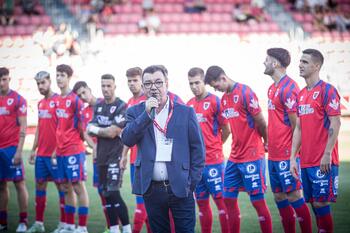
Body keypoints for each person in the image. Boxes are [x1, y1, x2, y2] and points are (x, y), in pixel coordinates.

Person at [121, 65, 205, 233]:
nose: (154, 87)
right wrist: (146, 115)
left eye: (158, 82)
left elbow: (198, 151)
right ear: (143, 87)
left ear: (167, 83)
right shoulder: (134, 112)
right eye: (148, 83)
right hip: (152, 189)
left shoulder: (185, 112)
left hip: (181, 187)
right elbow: (127, 139)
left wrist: (190, 183)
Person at [205, 65, 272, 233]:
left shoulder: (245, 92)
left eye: (216, 85)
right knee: (227, 198)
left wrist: (266, 142)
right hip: (234, 156)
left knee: (257, 201)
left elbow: (261, 122)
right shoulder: (225, 99)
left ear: (223, 78)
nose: (216, 89)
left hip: (252, 154)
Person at [290, 49, 341, 233]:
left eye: (304, 62)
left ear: (316, 66)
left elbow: (336, 122)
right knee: (313, 204)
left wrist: (327, 153)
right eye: (300, 61)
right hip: (305, 161)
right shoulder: (301, 94)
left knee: (321, 203)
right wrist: (292, 158)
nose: (300, 65)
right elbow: (299, 128)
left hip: (323, 161)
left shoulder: (327, 90)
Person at [263, 48, 312, 233]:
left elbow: (297, 126)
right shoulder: (271, 88)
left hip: (285, 155)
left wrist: (293, 156)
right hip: (273, 155)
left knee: (293, 196)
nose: (264, 62)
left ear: (275, 63)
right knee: (278, 197)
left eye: (266, 59)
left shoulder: (289, 88)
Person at [186, 67, 230, 233]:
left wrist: (216, 146)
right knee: (202, 205)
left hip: (214, 162)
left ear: (203, 82)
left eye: (197, 82)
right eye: (191, 84)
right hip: (197, 165)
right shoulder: (189, 105)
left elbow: (226, 129)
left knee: (221, 203)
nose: (194, 86)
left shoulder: (215, 101)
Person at [86, 74, 131, 233]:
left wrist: (97, 130)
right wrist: (100, 130)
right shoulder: (98, 106)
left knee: (113, 191)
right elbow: (88, 128)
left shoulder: (121, 106)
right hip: (101, 157)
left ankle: (126, 228)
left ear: (114, 87)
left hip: (115, 156)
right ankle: (113, 229)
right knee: (105, 193)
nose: (105, 89)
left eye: (108, 86)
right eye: (103, 86)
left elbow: (113, 132)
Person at [26, 71, 66, 233]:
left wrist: (58, 149)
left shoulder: (58, 101)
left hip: (55, 155)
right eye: (38, 84)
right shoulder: (40, 103)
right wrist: (33, 149)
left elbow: (63, 128)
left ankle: (64, 224)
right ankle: (39, 224)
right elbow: (39, 129)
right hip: (41, 155)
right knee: (39, 185)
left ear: (50, 81)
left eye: (43, 83)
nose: (40, 86)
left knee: (61, 188)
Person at [54, 64, 89, 233]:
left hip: (74, 149)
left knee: (77, 186)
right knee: (65, 187)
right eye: (57, 75)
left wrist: (84, 144)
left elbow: (82, 128)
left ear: (68, 78)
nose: (59, 78)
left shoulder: (75, 100)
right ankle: (68, 226)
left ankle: (81, 227)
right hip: (61, 150)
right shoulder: (56, 100)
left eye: (62, 75)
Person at [72, 81, 110, 232]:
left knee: (111, 192)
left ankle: (118, 226)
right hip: (97, 157)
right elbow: (85, 133)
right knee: (101, 192)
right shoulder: (84, 112)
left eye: (83, 92)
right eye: (79, 95)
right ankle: (110, 226)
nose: (83, 96)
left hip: (110, 155)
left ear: (89, 89)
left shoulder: (105, 103)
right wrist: (94, 147)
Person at [120, 67, 150, 233]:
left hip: (147, 160)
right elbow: (128, 133)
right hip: (134, 161)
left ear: (142, 82)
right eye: (129, 81)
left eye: (135, 80)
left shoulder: (150, 101)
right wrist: (124, 155)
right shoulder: (130, 103)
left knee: (143, 204)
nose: (132, 84)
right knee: (143, 202)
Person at [0, 67, 29, 232]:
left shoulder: (18, 99)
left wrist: (19, 150)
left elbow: (23, 126)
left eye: (4, 79)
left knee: (19, 183)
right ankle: (3, 223)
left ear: (9, 79)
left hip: (12, 149)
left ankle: (23, 222)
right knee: (1, 186)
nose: (2, 83)